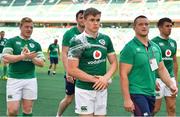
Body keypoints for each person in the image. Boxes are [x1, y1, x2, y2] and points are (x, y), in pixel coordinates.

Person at [119, 15, 178, 116]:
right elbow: (123, 74)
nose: (144, 26)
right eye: (140, 24)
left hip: (151, 93)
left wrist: (171, 84)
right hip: (136, 92)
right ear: (134, 27)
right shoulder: (129, 48)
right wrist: (127, 99)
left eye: (146, 24)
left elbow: (161, 69)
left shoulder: (154, 47)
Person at [67, 7, 117, 116]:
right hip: (84, 90)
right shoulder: (77, 41)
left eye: (98, 20)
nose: (96, 23)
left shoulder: (106, 39)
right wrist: (95, 80)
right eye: (92, 20)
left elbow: (114, 63)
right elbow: (71, 69)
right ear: (84, 21)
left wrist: (105, 78)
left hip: (102, 89)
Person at [2, 17, 45, 116]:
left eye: (31, 27)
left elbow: (42, 63)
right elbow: (5, 58)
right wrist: (23, 56)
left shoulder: (36, 44)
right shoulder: (12, 41)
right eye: (26, 27)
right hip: (14, 79)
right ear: (20, 27)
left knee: (27, 110)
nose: (29, 29)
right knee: (12, 110)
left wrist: (31, 58)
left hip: (30, 80)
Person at [56, 10, 85, 116]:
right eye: (81, 17)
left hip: (86, 71)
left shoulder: (91, 32)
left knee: (85, 98)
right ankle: (58, 115)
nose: (83, 19)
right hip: (73, 71)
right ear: (76, 19)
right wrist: (68, 72)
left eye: (85, 17)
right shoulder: (69, 33)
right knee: (69, 99)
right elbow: (64, 53)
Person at [151, 17, 178, 116]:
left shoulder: (173, 42)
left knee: (172, 107)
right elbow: (151, 62)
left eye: (171, 26)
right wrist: (153, 78)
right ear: (160, 28)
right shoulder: (153, 42)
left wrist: (175, 79)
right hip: (158, 79)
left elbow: (174, 61)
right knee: (155, 108)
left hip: (170, 78)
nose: (170, 28)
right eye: (167, 26)